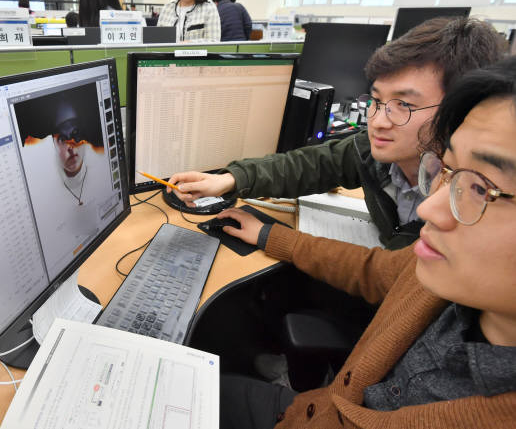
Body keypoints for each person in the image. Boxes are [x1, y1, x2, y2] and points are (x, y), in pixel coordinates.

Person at [219, 56, 516, 429]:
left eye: (479, 188)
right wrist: (267, 233)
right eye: (448, 171)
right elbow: (376, 269)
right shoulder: (446, 275)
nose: (432, 208)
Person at [168, 17, 506, 249]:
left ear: (460, 113)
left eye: (402, 104)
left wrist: (276, 239)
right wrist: (230, 179)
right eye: (375, 101)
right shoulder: (379, 153)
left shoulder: (474, 203)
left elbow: (392, 275)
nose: (378, 120)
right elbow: (313, 164)